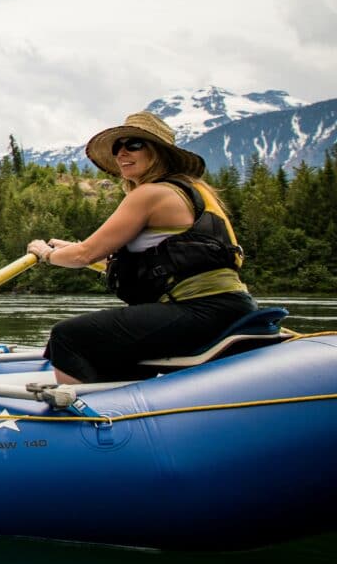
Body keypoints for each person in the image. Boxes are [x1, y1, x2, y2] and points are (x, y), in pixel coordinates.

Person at [27, 111, 255, 384]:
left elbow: (84, 254)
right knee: (111, 340)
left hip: (201, 310)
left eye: (134, 144)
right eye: (117, 147)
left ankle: (87, 418)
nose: (122, 153)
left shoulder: (150, 194)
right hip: (232, 306)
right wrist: (75, 250)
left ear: (158, 152)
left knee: (67, 336)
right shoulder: (187, 190)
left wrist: (46, 254)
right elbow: (128, 259)